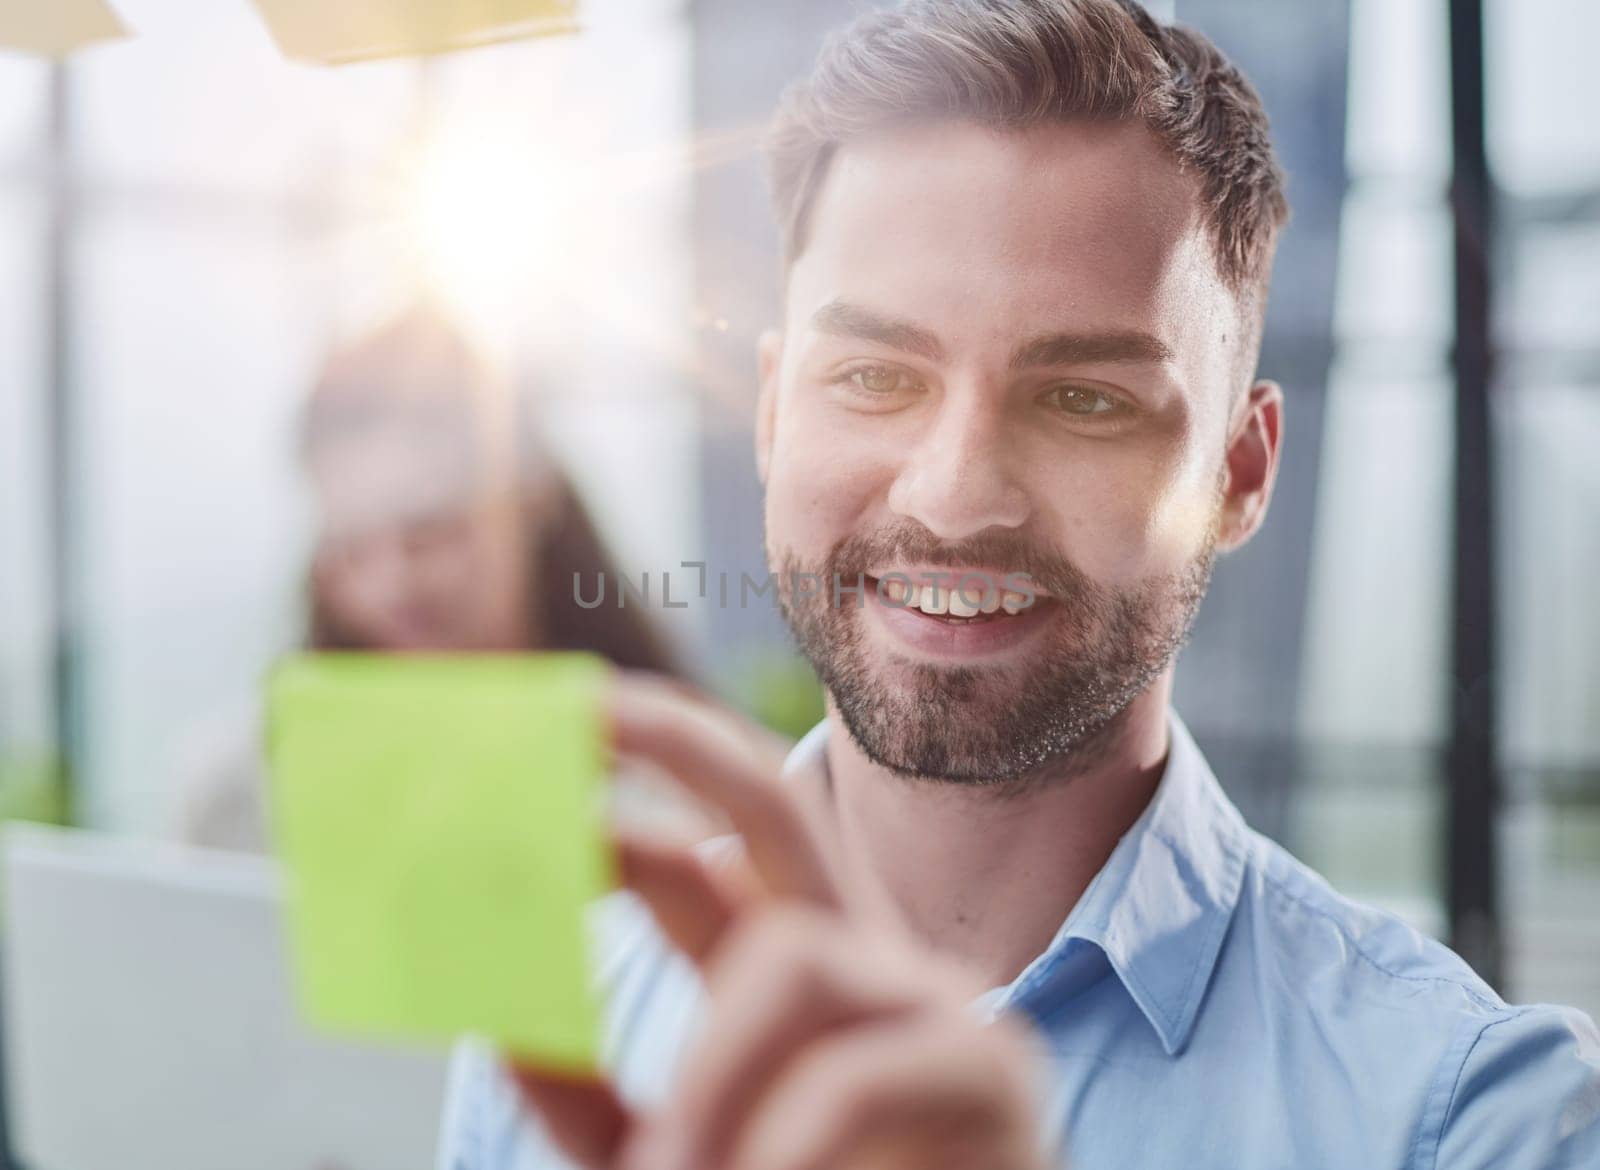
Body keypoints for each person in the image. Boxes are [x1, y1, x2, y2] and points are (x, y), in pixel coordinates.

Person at [438, 2, 1600, 1168]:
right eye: (878, 377)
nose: (951, 499)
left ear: (1239, 473)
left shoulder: (1474, 1120)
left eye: (1083, 399)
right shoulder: (554, 1033)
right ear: (775, 412)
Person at [177, 305, 684, 852]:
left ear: (531, 503)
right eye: (351, 550)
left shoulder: (670, 785)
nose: (390, 585)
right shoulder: (247, 789)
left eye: (430, 534)